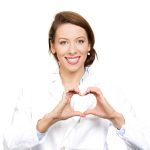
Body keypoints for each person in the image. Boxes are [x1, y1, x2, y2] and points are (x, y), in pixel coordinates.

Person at [3, 11, 150, 150]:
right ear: (52, 46)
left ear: (89, 45)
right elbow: (8, 144)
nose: (72, 50)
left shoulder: (110, 90)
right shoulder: (32, 89)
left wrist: (116, 118)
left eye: (80, 41)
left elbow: (145, 143)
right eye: (63, 42)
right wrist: (47, 121)